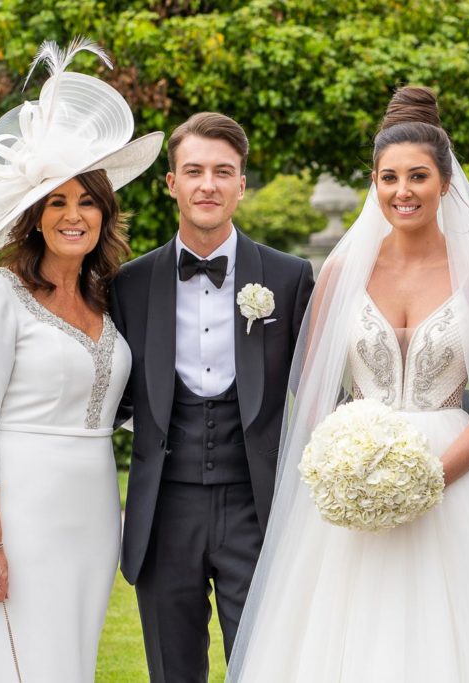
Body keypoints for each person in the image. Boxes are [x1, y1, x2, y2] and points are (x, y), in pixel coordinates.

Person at [226, 87, 469, 682]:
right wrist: (343, 465)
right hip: (354, 483)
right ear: (374, 184)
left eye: (418, 176)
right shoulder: (341, 272)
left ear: (444, 183)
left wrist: (429, 479)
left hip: (460, 486)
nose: (403, 191)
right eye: (389, 177)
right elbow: (315, 390)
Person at [0, 39, 163, 681]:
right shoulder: (1, 296)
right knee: (8, 660)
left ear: (105, 212)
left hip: (93, 509)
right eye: (57, 202)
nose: (74, 215)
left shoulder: (108, 298)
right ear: (34, 217)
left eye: (87, 201)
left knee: (69, 660)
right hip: (19, 513)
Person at [109, 112, 315, 683]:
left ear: (241, 185)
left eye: (223, 172)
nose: (208, 185)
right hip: (164, 511)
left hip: (257, 508)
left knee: (265, 667)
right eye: (194, 171)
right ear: (171, 182)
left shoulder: (289, 277)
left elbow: (321, 391)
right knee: (172, 672)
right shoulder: (129, 284)